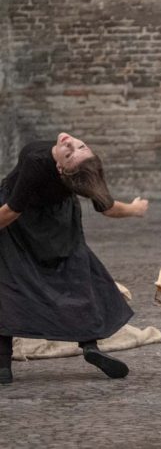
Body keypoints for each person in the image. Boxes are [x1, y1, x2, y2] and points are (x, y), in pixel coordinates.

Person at [0, 133, 149, 384]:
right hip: (59, 226)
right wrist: (135, 209)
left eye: (70, 153)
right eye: (79, 146)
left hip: (17, 224)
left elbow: (13, 210)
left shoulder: (35, 159)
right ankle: (90, 347)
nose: (70, 143)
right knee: (78, 280)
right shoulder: (83, 173)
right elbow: (108, 207)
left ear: (61, 169)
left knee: (7, 283)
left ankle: (2, 365)